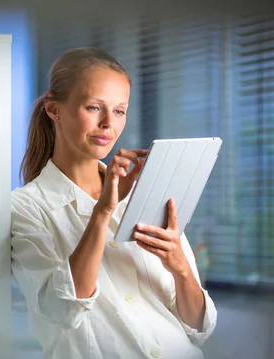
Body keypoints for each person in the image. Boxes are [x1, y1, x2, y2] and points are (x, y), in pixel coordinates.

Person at [11, 47, 217, 359]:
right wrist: (103, 211)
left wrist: (181, 268)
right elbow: (62, 307)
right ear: (54, 109)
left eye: (119, 111)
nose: (109, 123)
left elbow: (197, 326)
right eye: (94, 107)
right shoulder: (24, 207)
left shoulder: (148, 192)